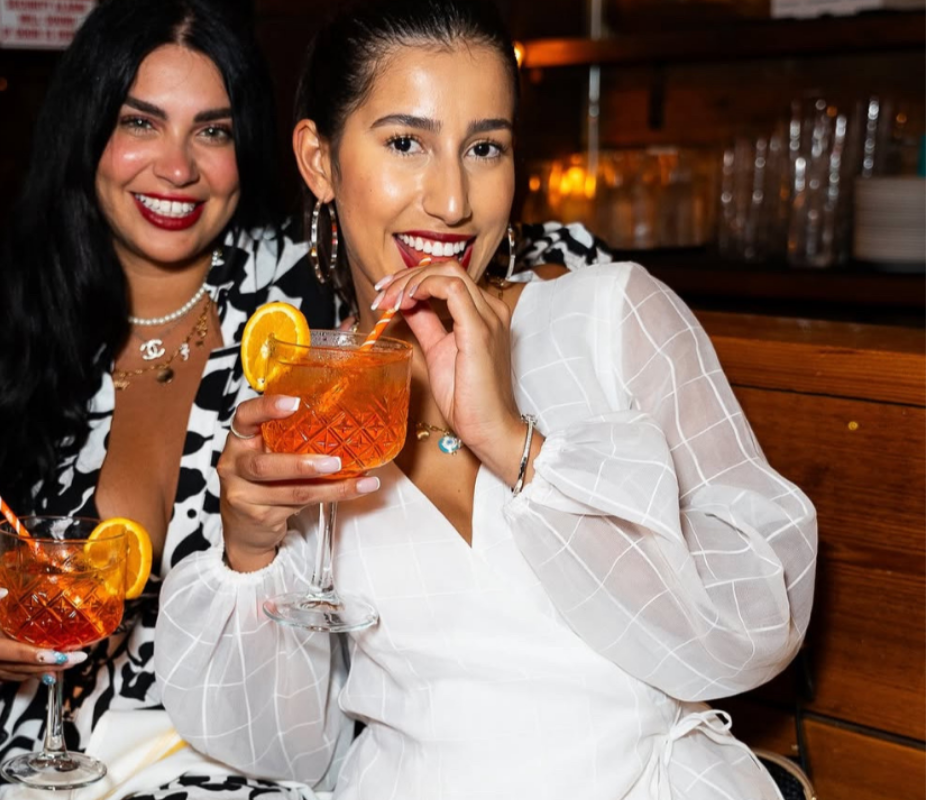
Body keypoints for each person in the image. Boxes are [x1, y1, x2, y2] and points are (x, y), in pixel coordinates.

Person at [155, 1, 818, 798]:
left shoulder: (611, 317)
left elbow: (754, 628)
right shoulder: (317, 398)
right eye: (406, 143)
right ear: (319, 161)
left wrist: (514, 444)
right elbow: (284, 747)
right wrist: (249, 550)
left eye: (484, 147)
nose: (452, 201)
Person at [0, 1, 340, 798]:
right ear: (86, 130)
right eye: (141, 123)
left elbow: (488, 250)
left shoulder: (308, 309)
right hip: (35, 754)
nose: (178, 167)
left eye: (213, 131)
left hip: (244, 752)